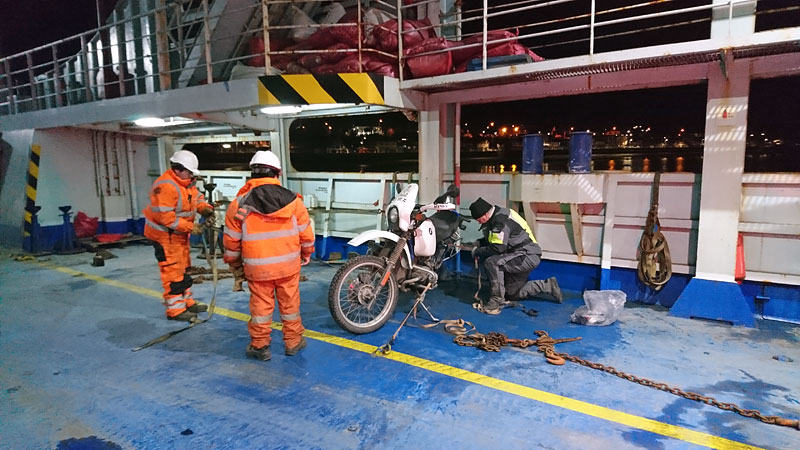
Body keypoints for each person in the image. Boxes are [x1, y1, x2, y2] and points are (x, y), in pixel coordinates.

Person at [223, 151, 315, 361]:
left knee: (261, 307)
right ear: (277, 173)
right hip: (288, 266)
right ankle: (293, 342)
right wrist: (307, 253)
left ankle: (260, 346)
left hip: (257, 269)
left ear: (252, 173)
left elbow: (231, 241)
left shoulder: (238, 205)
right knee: (290, 305)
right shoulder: (294, 202)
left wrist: (234, 263)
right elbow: (306, 235)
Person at [143, 150, 215, 321]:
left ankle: (187, 302)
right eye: (189, 172)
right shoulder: (165, 187)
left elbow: (197, 199)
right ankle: (175, 310)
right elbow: (166, 218)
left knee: (184, 269)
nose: (191, 176)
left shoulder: (187, 183)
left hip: (179, 236)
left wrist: (205, 209)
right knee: (173, 273)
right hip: (165, 237)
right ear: (177, 169)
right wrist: (191, 227)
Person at [469, 197, 562, 315]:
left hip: (526, 255)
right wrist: (480, 242)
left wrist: (478, 251)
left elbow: (498, 248)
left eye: (479, 219)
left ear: (486, 214)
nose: (479, 222)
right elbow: (498, 239)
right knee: (512, 293)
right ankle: (546, 286)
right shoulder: (500, 214)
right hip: (521, 254)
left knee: (492, 262)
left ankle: (496, 300)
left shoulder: (500, 221)